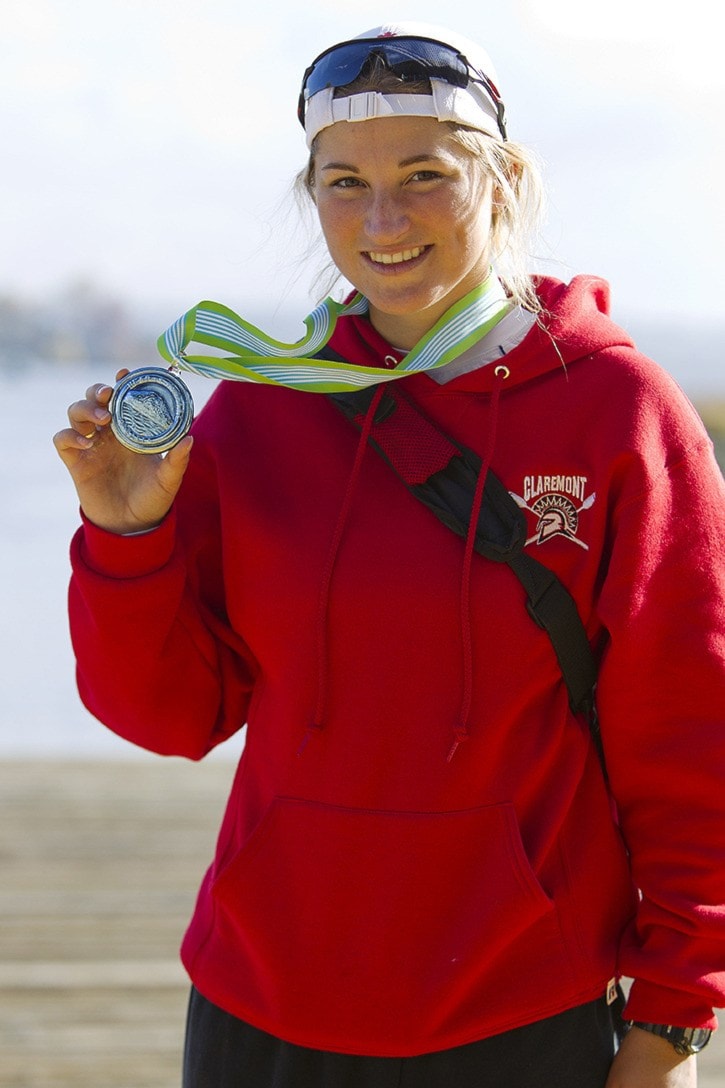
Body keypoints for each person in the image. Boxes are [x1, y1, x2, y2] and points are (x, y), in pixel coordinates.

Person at [53, 21, 725, 1088]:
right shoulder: (262, 407)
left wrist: (674, 1017)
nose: (381, 218)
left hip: (519, 1001)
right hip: (258, 1003)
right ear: (309, 193)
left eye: (425, 174)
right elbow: (169, 716)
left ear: (500, 179)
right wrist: (127, 536)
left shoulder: (617, 413)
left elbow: (688, 735)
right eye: (342, 182)